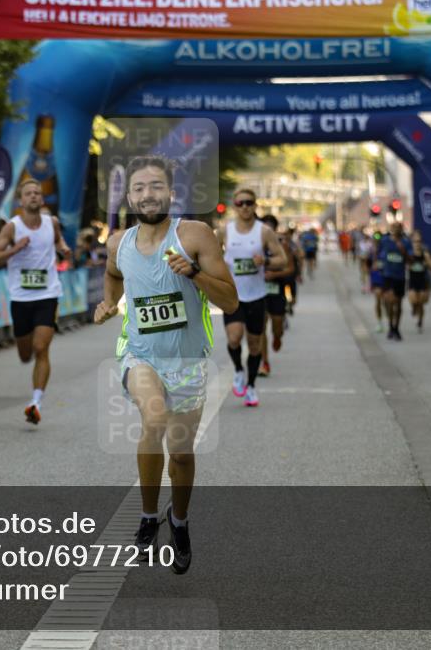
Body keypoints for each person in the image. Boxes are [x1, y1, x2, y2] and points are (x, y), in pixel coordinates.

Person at [93, 155, 237, 575]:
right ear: (129, 197)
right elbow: (113, 273)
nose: (147, 194)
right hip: (139, 353)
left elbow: (230, 301)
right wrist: (109, 302)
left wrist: (193, 274)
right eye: (139, 188)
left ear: (171, 193)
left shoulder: (194, 235)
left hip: (188, 361)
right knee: (153, 418)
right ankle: (147, 516)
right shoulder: (118, 243)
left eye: (156, 186)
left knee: (182, 454)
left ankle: (180, 519)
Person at [0, 179, 72, 425]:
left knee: (41, 348)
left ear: (41, 199)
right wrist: (14, 250)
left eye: (37, 193)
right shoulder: (12, 228)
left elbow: (58, 240)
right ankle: (28, 358)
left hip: (47, 294)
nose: (33, 196)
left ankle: (35, 402)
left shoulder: (51, 223)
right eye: (28, 193)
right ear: (21, 201)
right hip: (21, 297)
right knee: (25, 355)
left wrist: (64, 248)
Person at [217, 189, 287, 407]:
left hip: (257, 295)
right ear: (235, 206)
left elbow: (282, 259)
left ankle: (251, 386)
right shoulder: (225, 231)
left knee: (255, 345)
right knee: (234, 338)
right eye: (240, 203)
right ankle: (239, 370)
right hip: (233, 296)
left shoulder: (264, 231)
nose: (245, 207)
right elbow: (211, 257)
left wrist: (265, 261)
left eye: (249, 203)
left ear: (255, 205)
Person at [259, 215, 294, 377]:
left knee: (277, 326)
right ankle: (264, 362)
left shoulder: (282, 244)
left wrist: (273, 274)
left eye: (270, 228)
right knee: (260, 328)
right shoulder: (254, 244)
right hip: (259, 291)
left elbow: (290, 269)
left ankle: (277, 336)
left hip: (277, 290)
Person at [379, 222, 413, 341]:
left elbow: (410, 261)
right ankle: (390, 325)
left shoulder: (406, 242)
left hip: (399, 276)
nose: (395, 229)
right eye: (393, 227)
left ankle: (396, 328)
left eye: (398, 227)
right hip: (387, 275)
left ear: (401, 229)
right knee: (388, 301)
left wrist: (403, 251)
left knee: (398, 303)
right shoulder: (385, 241)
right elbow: (378, 253)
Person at [406, 231, 431, 332]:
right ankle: (414, 307)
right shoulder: (409, 253)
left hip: (423, 280)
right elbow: (405, 265)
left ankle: (420, 322)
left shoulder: (425, 253)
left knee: (421, 302)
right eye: (415, 241)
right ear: (412, 242)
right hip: (413, 280)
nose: (417, 244)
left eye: (419, 241)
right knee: (414, 300)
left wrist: (428, 261)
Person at [367, 232, 386, 332]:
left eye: (378, 239)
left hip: (386, 278)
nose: (376, 240)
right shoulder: (371, 251)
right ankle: (379, 322)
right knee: (378, 299)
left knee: (386, 302)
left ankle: (389, 319)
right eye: (374, 239)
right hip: (376, 279)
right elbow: (367, 265)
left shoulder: (385, 251)